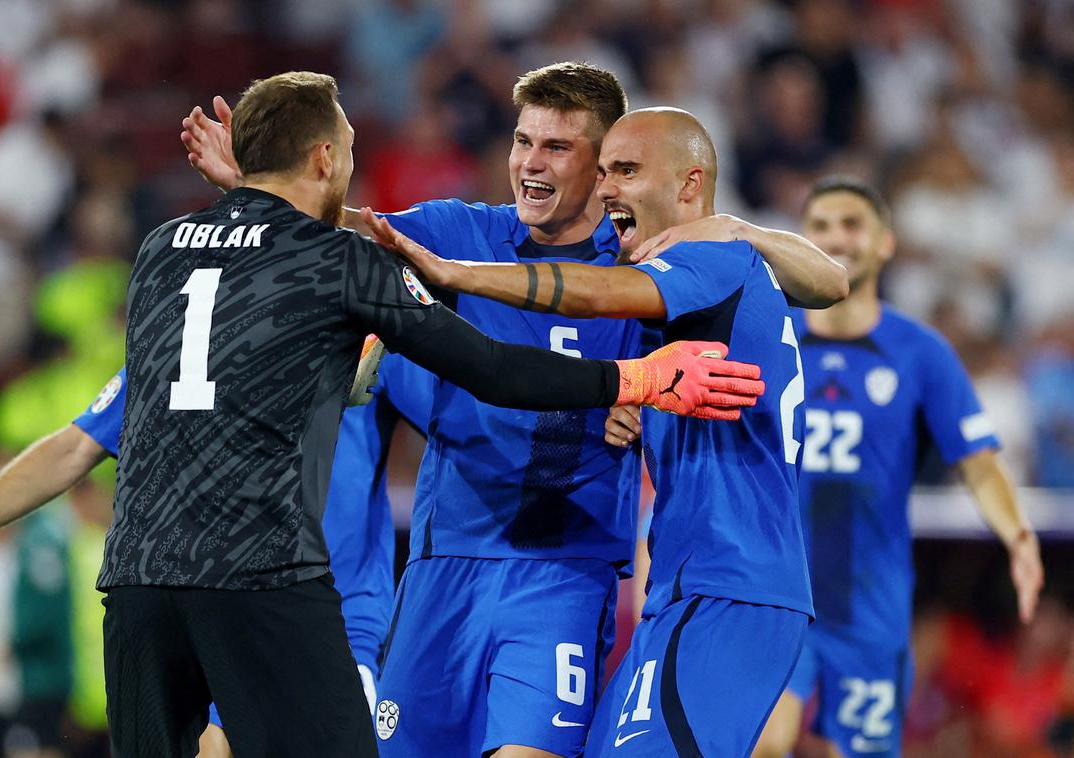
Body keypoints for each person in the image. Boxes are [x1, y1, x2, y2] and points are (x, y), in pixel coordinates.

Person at [80, 72, 757, 757]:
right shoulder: (456, 232)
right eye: (524, 141)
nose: (530, 162)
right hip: (441, 570)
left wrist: (646, 405)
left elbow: (764, 316)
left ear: (603, 164)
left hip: (562, 575)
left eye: (556, 147)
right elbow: (354, 233)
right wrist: (259, 187)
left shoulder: (640, 272)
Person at [364, 106, 842, 756]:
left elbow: (589, 294)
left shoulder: (710, 259)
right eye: (605, 169)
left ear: (688, 184)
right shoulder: (701, 286)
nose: (607, 186)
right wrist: (639, 402)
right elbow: (823, 284)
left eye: (627, 169)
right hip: (685, 590)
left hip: (729, 585)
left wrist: (460, 274)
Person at [0, 351, 432, 758]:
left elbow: (463, 419)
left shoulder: (361, 332)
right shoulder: (185, 340)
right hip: (221, 617)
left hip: (333, 621)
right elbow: (76, 445)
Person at [742, 177, 1044, 758]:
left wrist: (1019, 534)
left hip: (869, 606)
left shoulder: (920, 351)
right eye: (822, 226)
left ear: (885, 243)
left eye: (852, 224)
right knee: (762, 741)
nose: (836, 238)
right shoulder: (769, 336)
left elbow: (978, 461)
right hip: (778, 592)